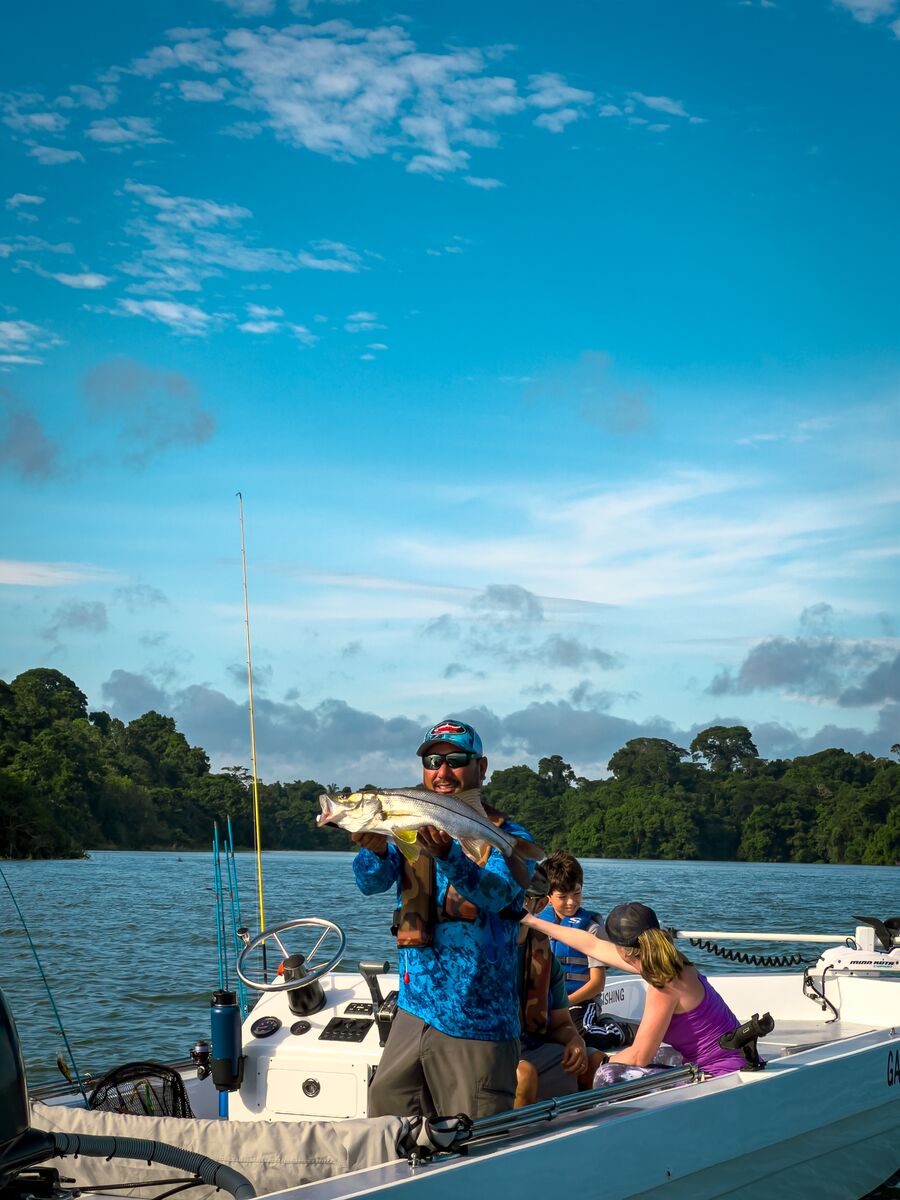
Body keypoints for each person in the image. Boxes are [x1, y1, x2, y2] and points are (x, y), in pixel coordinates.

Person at [352, 718, 535, 1119]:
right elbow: (370, 883)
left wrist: (451, 857)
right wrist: (376, 852)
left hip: (477, 1021)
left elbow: (499, 894)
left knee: (472, 1141)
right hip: (414, 1010)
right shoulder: (409, 818)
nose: (442, 771)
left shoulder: (506, 835)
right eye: (433, 761)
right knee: (388, 1121)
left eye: (455, 760)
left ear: (481, 767)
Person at [522, 901, 749, 1078]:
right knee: (653, 1055)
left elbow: (640, 1056)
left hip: (720, 1073)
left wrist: (600, 1063)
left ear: (623, 949)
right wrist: (531, 920)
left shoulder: (663, 984)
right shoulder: (673, 963)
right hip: (736, 1058)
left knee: (605, 1076)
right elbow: (591, 944)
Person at [515, 866, 590, 1107]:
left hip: (528, 1044)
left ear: (539, 905)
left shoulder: (545, 960)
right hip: (487, 1049)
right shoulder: (478, 951)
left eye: (523, 898)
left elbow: (560, 1023)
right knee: (524, 1074)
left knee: (591, 1062)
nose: (511, 903)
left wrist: (574, 1040)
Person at [541, 851, 606, 1031]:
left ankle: (622, 1029)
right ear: (548, 897)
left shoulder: (591, 929)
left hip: (581, 1002)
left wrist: (565, 1003)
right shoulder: (537, 925)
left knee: (579, 1033)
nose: (571, 902)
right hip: (545, 1003)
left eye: (576, 893)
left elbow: (597, 983)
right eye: (562, 896)